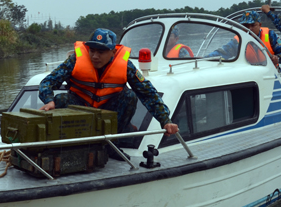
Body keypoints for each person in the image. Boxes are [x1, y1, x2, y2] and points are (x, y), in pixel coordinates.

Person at [39, 28, 179, 141]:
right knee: (61, 99)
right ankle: (70, 142)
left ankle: (112, 143)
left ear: (113, 52)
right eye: (92, 51)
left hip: (110, 112)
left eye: (101, 52)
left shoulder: (126, 66)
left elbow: (148, 94)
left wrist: (165, 120)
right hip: (81, 108)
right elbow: (47, 82)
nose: (95, 56)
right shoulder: (74, 61)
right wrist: (48, 100)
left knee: (129, 96)